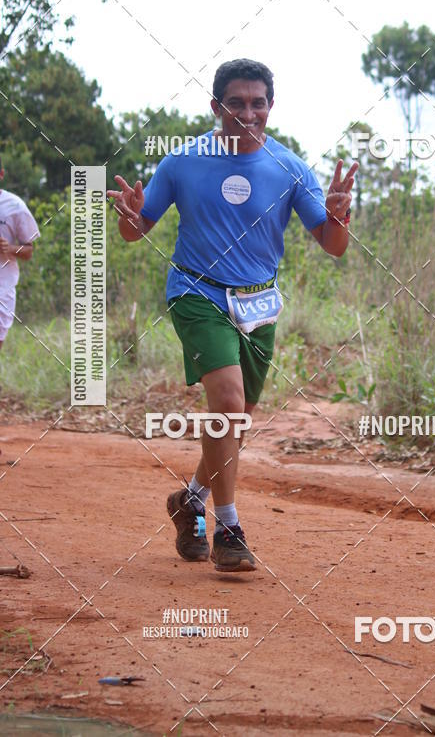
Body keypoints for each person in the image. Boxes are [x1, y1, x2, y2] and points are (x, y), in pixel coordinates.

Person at [108, 59, 357, 573]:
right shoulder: (182, 162)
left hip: (258, 303)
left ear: (270, 105)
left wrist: (338, 215)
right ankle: (230, 529)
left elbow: (333, 246)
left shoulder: (290, 168)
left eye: (258, 102)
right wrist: (131, 217)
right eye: (237, 103)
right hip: (197, 292)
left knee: (235, 421)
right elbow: (136, 231)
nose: (249, 112)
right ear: (216, 106)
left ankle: (190, 500)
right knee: (226, 398)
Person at [0, 158, 40, 350]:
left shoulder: (15, 206)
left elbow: (29, 250)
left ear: (1, 175)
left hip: (3, 286)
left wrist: (9, 248)